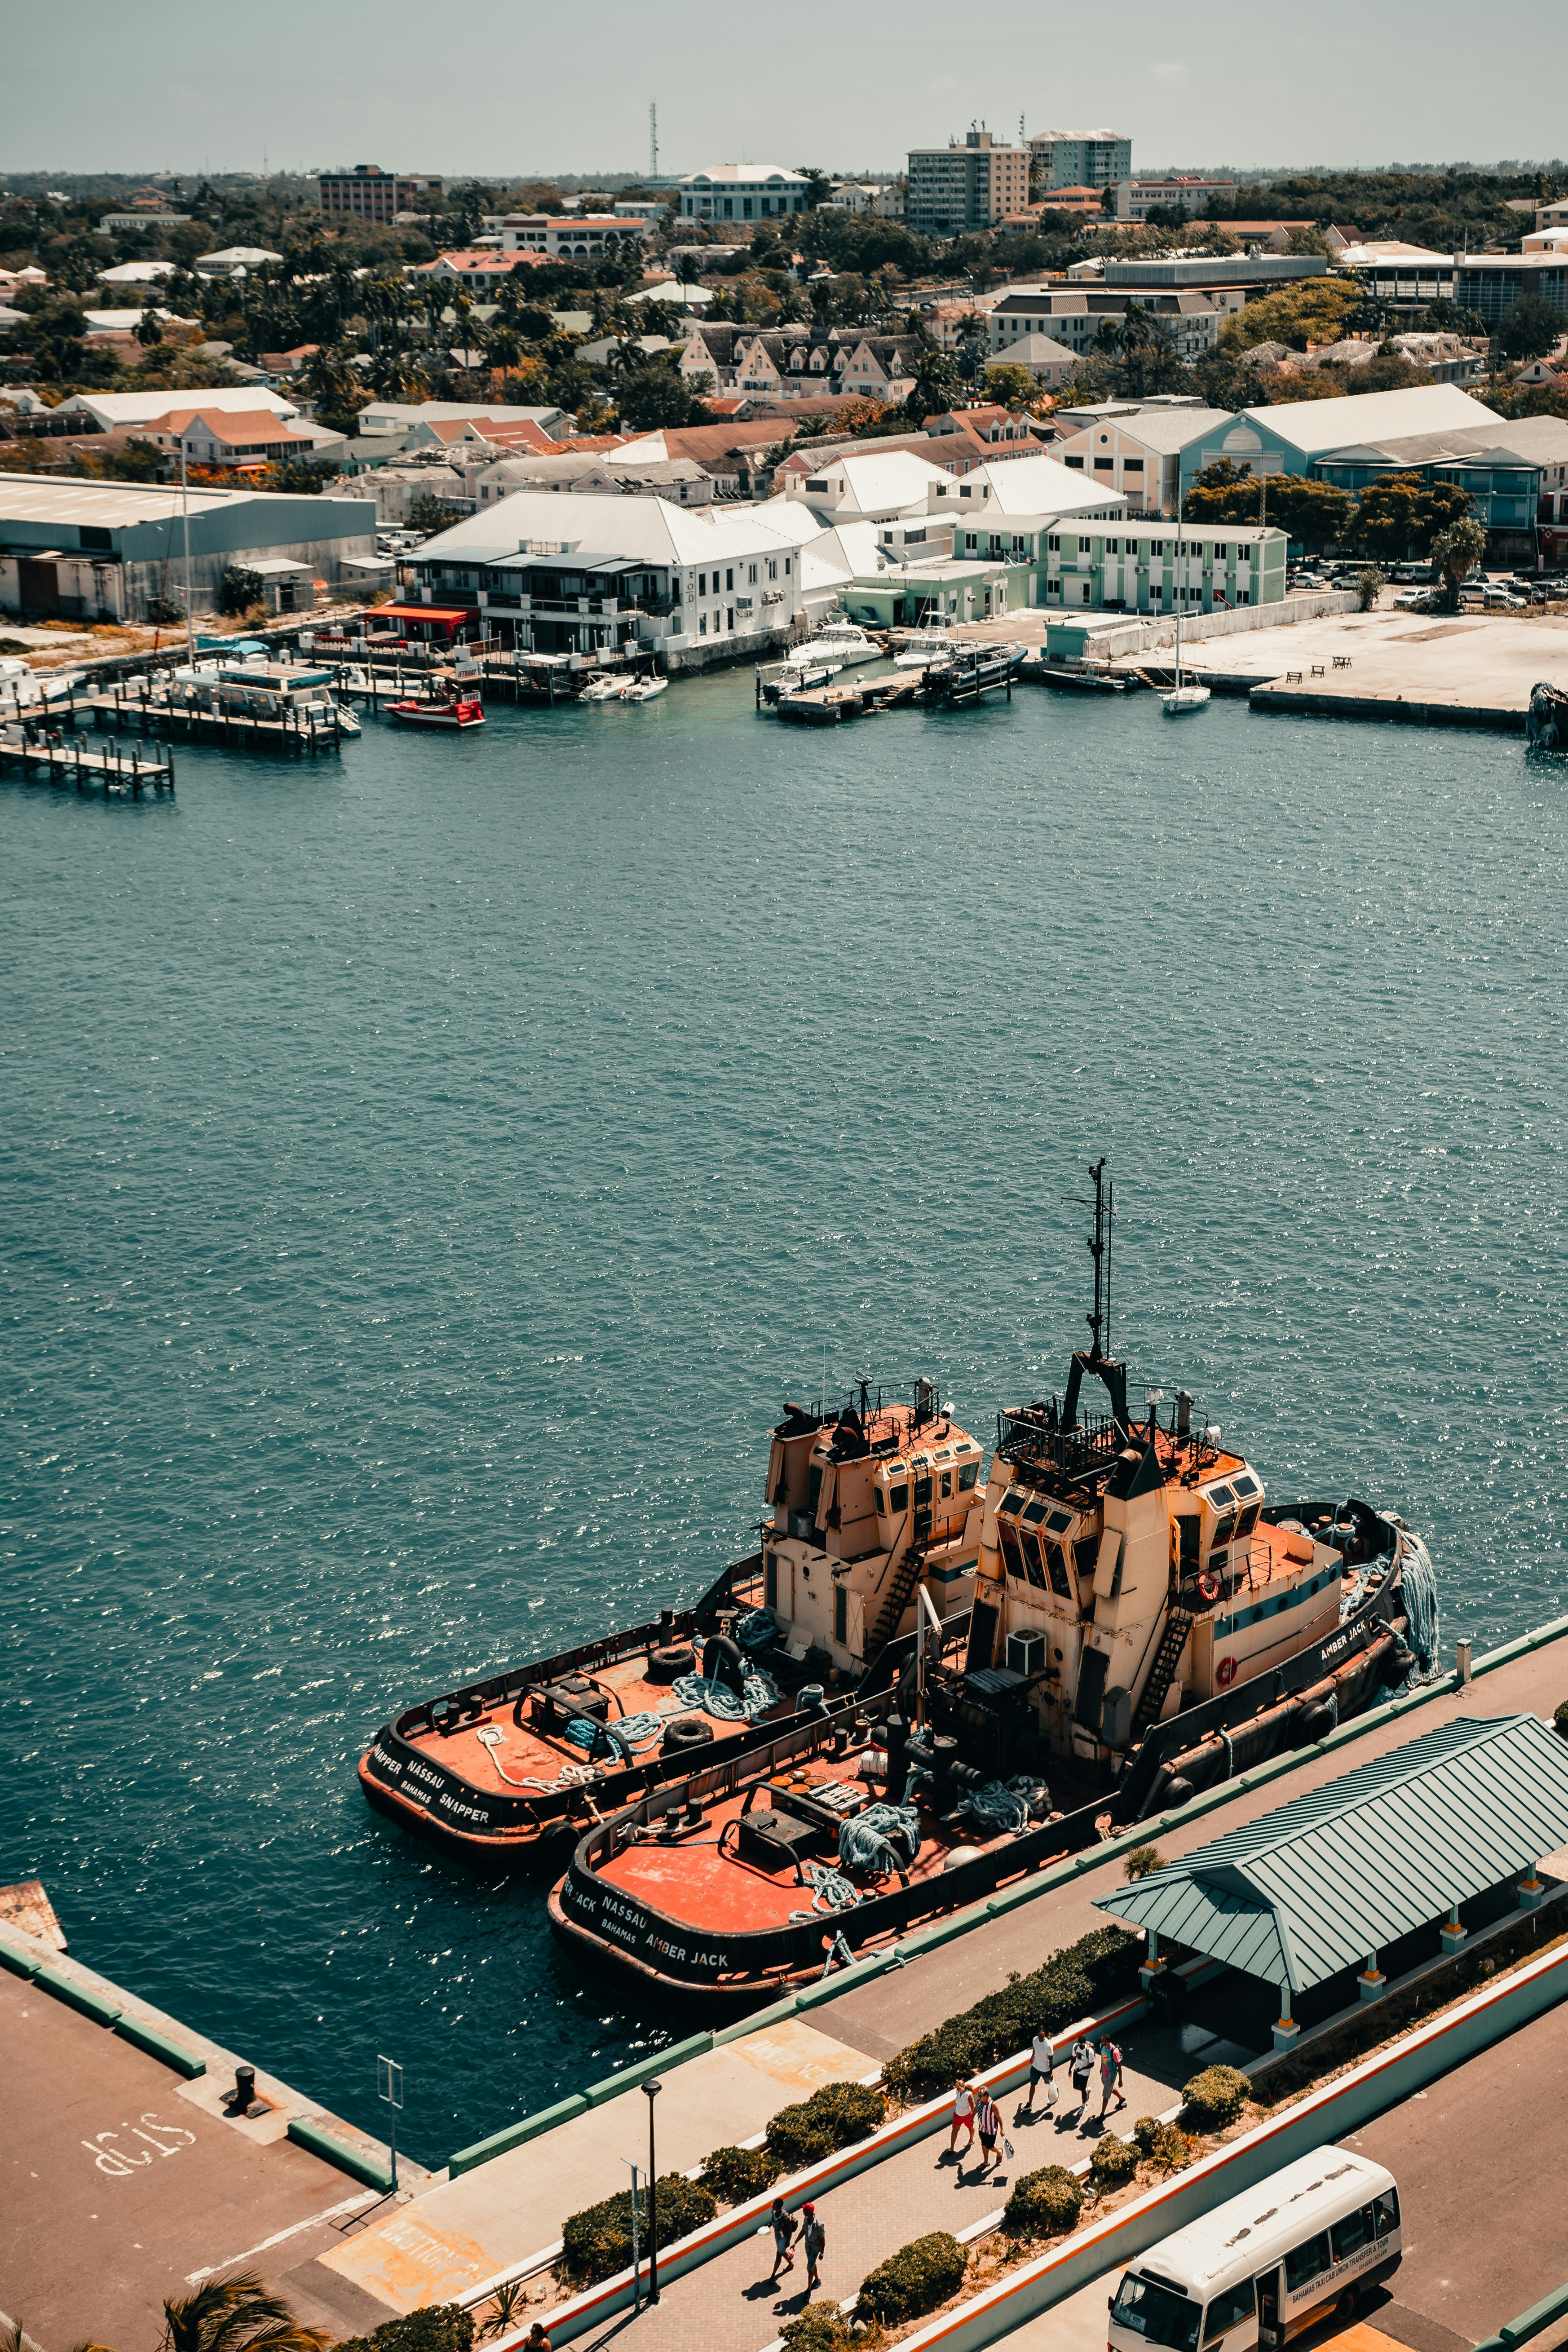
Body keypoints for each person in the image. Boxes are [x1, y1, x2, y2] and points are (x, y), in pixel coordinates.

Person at [1022, 2027, 1056, 2116]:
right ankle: (1029, 2105)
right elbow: (1035, 2048)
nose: (1042, 2038)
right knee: (1032, 2085)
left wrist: (1051, 2073)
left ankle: (1055, 2093)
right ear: (1037, 2034)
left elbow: (1051, 2060)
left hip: (1045, 2070)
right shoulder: (1035, 2040)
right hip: (1035, 2068)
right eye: (1040, 2036)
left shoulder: (1048, 2046)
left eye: (1043, 2036)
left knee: (1050, 2083)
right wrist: (1032, 2056)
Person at [768, 2195, 797, 2280]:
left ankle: (773, 2276)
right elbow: (772, 2220)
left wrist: (788, 2240)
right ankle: (791, 2264)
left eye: (774, 2205)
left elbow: (790, 2228)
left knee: (779, 2255)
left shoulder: (785, 2216)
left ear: (779, 2207)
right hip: (777, 2236)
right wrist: (769, 2226)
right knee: (782, 2251)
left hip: (784, 2238)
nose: (773, 2206)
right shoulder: (774, 2212)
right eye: (773, 2204)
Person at [974, 2085, 1002, 2173]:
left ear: (986, 2097)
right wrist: (972, 2118)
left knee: (990, 2146)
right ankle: (986, 2162)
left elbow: (999, 2117)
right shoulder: (980, 2101)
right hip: (982, 2129)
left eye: (980, 2096)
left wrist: (1002, 2129)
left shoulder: (993, 2105)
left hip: (991, 2130)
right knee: (984, 2145)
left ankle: (999, 2152)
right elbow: (976, 2109)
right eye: (978, 2095)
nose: (978, 2097)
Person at [949, 2076, 976, 2156]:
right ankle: (952, 2148)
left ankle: (971, 2140)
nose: (957, 2091)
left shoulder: (969, 2095)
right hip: (957, 2114)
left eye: (959, 2089)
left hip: (967, 2115)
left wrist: (973, 2118)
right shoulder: (958, 2092)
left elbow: (973, 2107)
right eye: (957, 2089)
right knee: (954, 2130)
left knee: (970, 2128)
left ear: (963, 2087)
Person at [1099, 2036, 1126, 2117]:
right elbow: (1103, 2058)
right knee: (1108, 2088)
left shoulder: (1115, 2052)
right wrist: (1101, 2068)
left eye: (1103, 2041)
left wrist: (1120, 2080)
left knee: (1106, 2095)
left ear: (1107, 2042)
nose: (1101, 2042)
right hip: (1104, 2072)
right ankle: (1121, 2099)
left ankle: (1102, 2114)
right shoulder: (1102, 2047)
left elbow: (1119, 2066)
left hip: (1111, 2075)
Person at [802, 2201, 826, 2290]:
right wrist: (795, 2243)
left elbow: (822, 2239)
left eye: (804, 2211)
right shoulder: (806, 2219)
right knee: (812, 2264)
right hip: (808, 2247)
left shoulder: (819, 2225)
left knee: (809, 2269)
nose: (803, 2212)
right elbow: (803, 2231)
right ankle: (817, 2280)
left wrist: (822, 2252)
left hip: (815, 2249)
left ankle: (808, 2290)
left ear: (809, 2212)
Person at [1069, 2036, 1094, 2118]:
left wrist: (1083, 2068)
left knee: (1082, 2089)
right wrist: (1070, 2069)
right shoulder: (1075, 2047)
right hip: (1077, 2070)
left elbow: (1092, 2064)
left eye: (1081, 2044)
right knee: (1075, 2086)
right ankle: (1086, 2091)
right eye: (1079, 2044)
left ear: (1084, 2044)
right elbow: (1073, 2058)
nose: (1080, 2045)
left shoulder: (1089, 2051)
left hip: (1085, 2073)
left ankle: (1084, 2106)